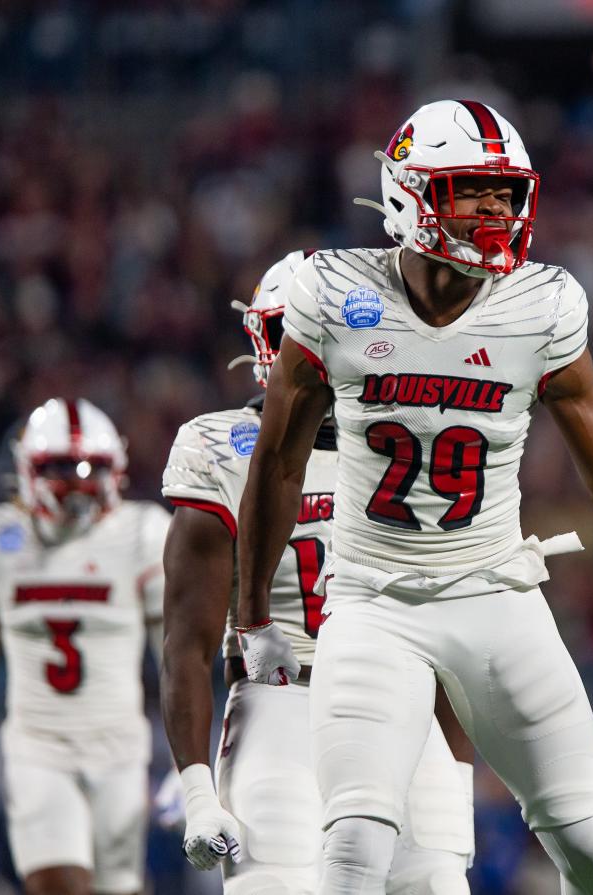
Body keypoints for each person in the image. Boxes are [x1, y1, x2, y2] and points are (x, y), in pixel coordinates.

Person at [236, 100, 593, 895]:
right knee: (351, 850)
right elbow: (275, 462)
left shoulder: (541, 306)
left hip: (496, 595)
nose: (496, 211)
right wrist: (254, 618)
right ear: (410, 195)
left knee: (587, 848)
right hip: (373, 602)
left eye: (505, 193)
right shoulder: (334, 293)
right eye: (473, 191)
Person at [158, 250, 475, 894]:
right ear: (264, 339)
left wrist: (456, 767)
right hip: (281, 710)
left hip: (400, 713)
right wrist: (196, 790)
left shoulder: (415, 438)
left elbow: (445, 622)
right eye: (296, 332)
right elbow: (186, 643)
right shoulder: (220, 448)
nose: (319, 352)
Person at [0, 398, 170, 895]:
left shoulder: (140, 534)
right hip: (37, 746)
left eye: (92, 468)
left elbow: (172, 655)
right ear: (27, 470)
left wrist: (184, 762)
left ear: (118, 469)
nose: (79, 483)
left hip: (119, 749)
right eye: (62, 468)